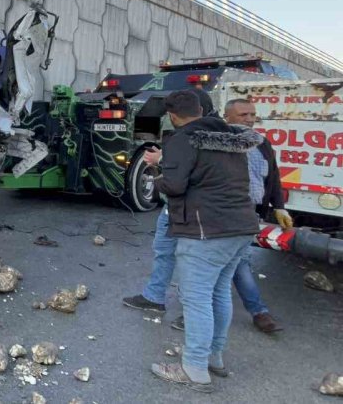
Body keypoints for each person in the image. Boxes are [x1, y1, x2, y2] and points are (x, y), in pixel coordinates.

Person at [122, 99, 293, 333]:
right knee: (168, 253)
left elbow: (271, 175)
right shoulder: (215, 139)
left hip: (216, 216)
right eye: (244, 114)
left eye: (252, 114)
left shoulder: (254, 143)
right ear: (227, 116)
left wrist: (279, 205)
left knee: (218, 273)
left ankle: (252, 313)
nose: (250, 119)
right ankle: (156, 298)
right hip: (188, 211)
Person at [145, 90, 262, 393]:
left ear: (172, 115)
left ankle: (194, 368)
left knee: (196, 297)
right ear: (201, 109)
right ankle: (214, 357)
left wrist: (155, 175)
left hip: (206, 230)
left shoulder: (183, 138)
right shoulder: (230, 137)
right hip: (242, 225)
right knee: (219, 291)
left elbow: (175, 185)